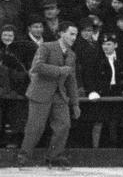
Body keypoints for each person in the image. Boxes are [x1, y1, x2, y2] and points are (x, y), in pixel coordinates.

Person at [17, 23, 82, 169]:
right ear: (61, 33)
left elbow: (72, 80)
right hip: (41, 92)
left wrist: (75, 103)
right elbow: (37, 67)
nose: (74, 37)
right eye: (71, 34)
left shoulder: (72, 55)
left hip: (59, 94)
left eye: (76, 35)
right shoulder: (46, 47)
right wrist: (59, 70)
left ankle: (54, 157)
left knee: (64, 125)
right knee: (35, 127)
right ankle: (24, 156)